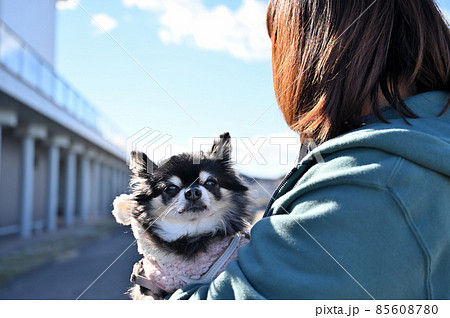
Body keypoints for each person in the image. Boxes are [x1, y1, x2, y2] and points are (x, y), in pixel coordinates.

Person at [169, 0, 450, 299]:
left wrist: (158, 283)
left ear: (310, 52)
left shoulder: (372, 185)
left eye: (278, 44)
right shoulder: (430, 139)